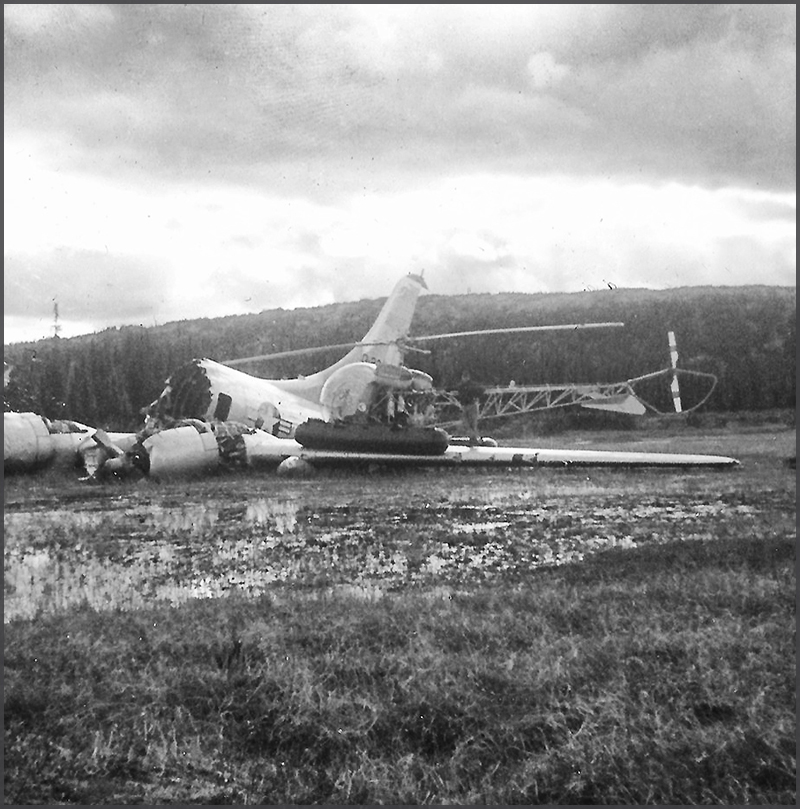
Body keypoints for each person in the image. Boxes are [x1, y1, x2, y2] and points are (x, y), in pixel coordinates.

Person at [456, 370, 484, 445]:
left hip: (471, 405)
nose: (464, 379)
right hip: (465, 406)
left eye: (465, 377)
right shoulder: (461, 386)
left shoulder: (472, 385)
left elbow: (481, 390)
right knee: (467, 424)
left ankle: (473, 439)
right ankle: (473, 438)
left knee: (472, 424)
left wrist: (475, 395)